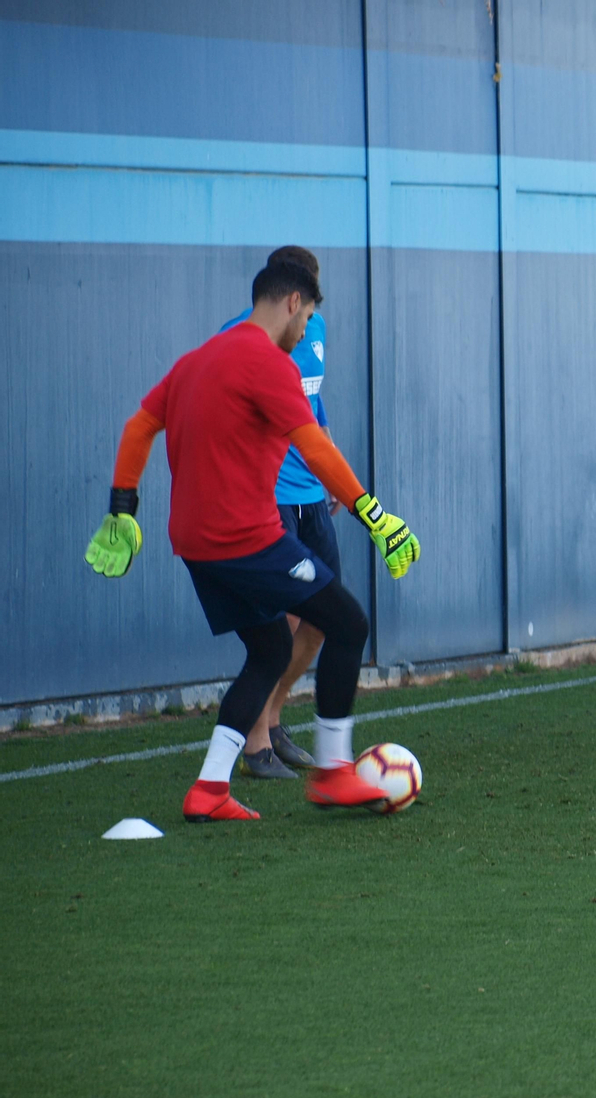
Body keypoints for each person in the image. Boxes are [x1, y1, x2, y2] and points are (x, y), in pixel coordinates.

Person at [85, 259, 421, 822]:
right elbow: (315, 448)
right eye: (307, 318)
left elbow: (138, 427)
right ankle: (334, 774)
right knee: (348, 623)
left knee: (269, 650)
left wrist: (122, 508)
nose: (305, 332)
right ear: (293, 303)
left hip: (194, 545)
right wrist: (375, 515)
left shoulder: (195, 360)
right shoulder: (270, 364)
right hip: (245, 539)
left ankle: (209, 789)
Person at [218, 246, 336, 779]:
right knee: (279, 619)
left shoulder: (317, 330)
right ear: (290, 295)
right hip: (271, 494)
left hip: (312, 493)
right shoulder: (238, 336)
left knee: (323, 617)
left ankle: (273, 716)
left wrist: (331, 469)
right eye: (307, 300)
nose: (311, 311)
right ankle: (255, 741)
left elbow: (314, 402)